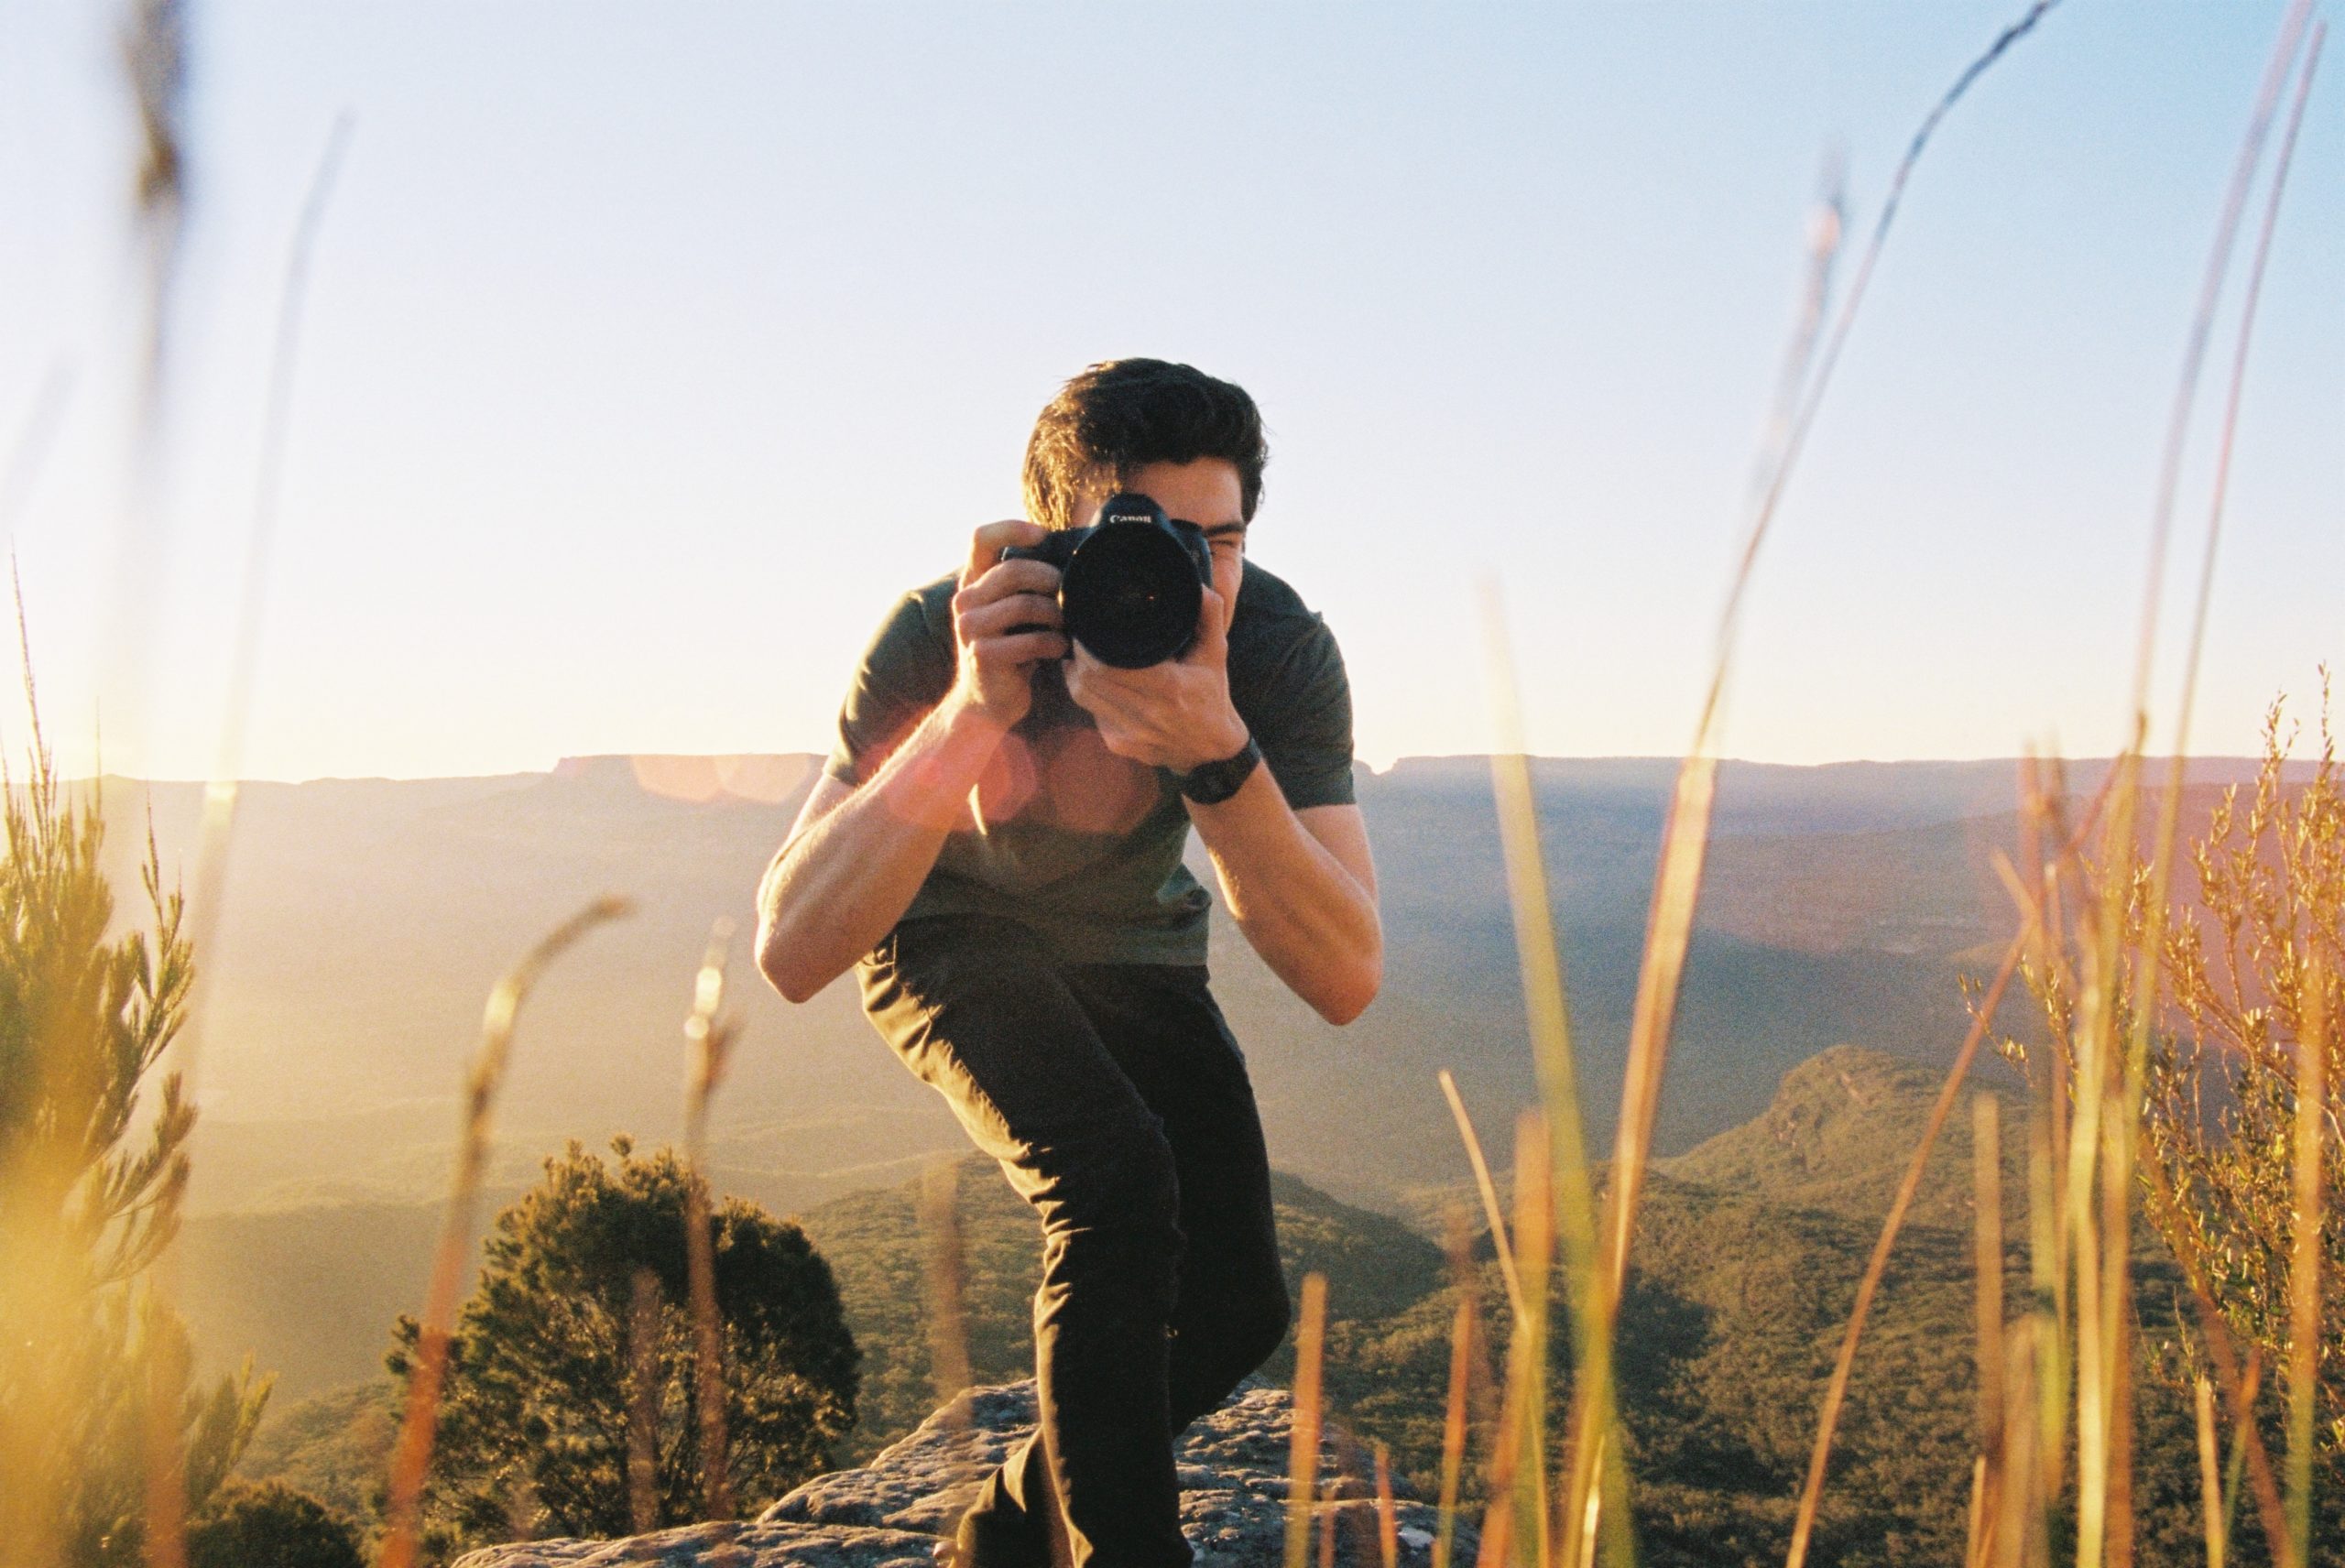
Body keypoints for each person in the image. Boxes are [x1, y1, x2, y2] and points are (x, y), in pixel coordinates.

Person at [754, 358, 1381, 1566]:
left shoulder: (1277, 650)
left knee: (1235, 1299)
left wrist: (1219, 754)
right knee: (1114, 1183)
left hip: (1136, 949)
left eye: (1221, 540)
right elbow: (792, 945)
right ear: (1049, 537)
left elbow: (1347, 976)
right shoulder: (953, 630)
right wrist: (971, 711)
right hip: (945, 928)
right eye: (1138, 541)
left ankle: (1001, 1536)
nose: (1186, 575)